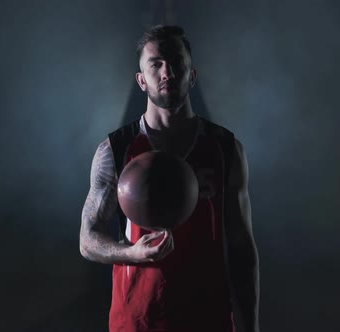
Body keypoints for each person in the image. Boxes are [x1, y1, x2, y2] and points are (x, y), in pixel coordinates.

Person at [79, 25, 260, 332]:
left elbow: (242, 248)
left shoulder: (226, 149)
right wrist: (131, 253)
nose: (167, 72)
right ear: (141, 80)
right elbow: (88, 239)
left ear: (192, 75)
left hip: (208, 319)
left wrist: (252, 326)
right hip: (138, 321)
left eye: (177, 62)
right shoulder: (116, 150)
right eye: (156, 64)